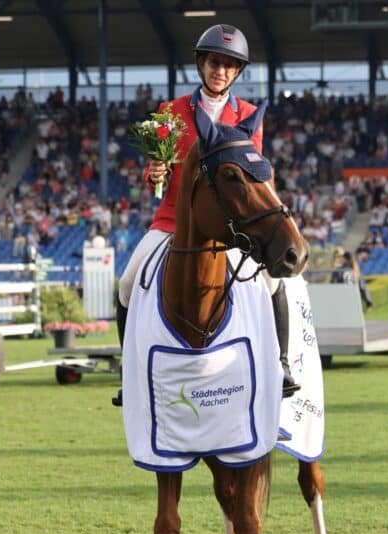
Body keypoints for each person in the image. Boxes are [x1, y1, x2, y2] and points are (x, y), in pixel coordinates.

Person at [113, 24, 297, 406]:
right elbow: (157, 173)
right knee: (128, 284)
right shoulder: (172, 112)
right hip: (172, 220)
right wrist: (155, 174)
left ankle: (280, 364)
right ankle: (128, 369)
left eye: (230, 66)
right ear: (202, 64)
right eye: (216, 62)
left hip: (227, 224)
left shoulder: (247, 116)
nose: (222, 71)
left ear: (237, 72)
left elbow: (251, 173)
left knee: (272, 284)